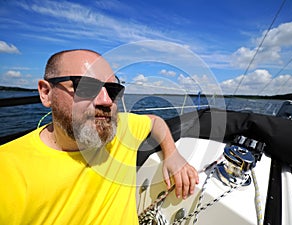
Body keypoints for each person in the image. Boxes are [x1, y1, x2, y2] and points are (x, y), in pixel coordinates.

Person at [0, 49, 199, 225]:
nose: (106, 101)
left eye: (112, 91)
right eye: (86, 87)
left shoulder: (120, 129)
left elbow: (155, 121)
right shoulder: (8, 169)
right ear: (46, 93)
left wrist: (172, 154)